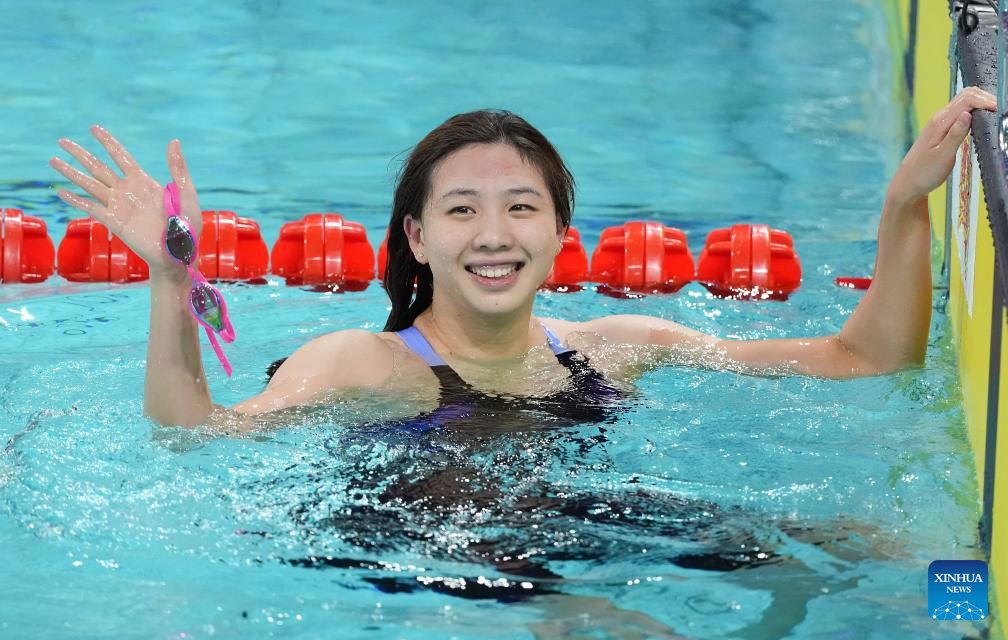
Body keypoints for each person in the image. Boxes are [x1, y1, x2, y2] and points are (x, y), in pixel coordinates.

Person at [49, 88, 997, 434]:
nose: (494, 235)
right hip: (421, 580)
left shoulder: (621, 345)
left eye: (521, 208)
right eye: (461, 210)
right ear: (417, 239)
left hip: (580, 553)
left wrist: (903, 202)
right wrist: (171, 278)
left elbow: (867, 359)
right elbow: (195, 436)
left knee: (838, 553)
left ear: (560, 236)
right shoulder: (358, 364)